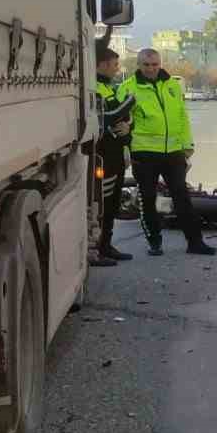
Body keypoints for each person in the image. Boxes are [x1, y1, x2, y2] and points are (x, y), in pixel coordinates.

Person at [119, 49, 216, 256]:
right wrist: (126, 150)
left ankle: (195, 242)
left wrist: (187, 144)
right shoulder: (128, 88)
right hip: (144, 154)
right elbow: (122, 123)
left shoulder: (171, 85)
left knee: (182, 197)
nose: (151, 68)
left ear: (159, 63)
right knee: (147, 199)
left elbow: (181, 116)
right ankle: (155, 242)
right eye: (146, 65)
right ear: (139, 65)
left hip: (173, 153)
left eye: (154, 64)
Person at [91, 43, 134, 266]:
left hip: (116, 154)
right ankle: (96, 249)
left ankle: (107, 245)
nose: (117, 69)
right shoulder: (94, 88)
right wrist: (130, 102)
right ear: (103, 64)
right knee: (102, 204)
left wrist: (128, 127)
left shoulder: (108, 87)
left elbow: (121, 120)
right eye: (115, 65)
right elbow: (107, 118)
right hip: (103, 155)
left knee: (113, 204)